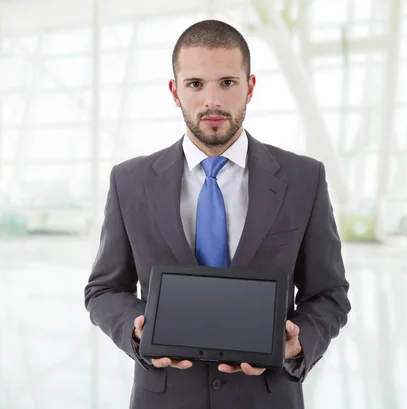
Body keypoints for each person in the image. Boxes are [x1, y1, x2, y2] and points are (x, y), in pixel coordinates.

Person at [84, 19, 350, 409]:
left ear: (250, 87)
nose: (213, 101)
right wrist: (135, 329)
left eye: (227, 82)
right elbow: (103, 290)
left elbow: (329, 294)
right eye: (195, 84)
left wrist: (298, 343)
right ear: (175, 92)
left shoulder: (303, 178)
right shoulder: (129, 181)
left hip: (267, 398)